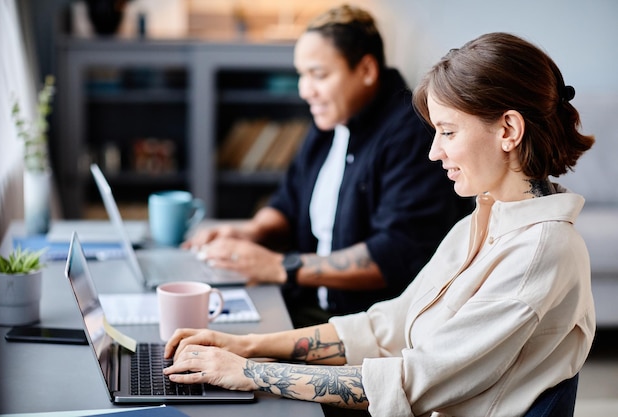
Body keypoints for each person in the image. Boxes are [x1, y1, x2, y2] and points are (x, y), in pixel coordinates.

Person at [164, 32, 596, 416]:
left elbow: (412, 382)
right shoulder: (484, 219)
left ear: (508, 130)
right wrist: (247, 345)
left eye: (447, 132)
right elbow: (387, 325)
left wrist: (250, 372)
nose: (433, 152)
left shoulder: (541, 251)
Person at [183, 5, 472, 328]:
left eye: (318, 75)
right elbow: (289, 198)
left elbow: (396, 254)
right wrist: (254, 231)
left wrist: (281, 266)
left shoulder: (409, 134)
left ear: (365, 70)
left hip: (364, 326)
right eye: (301, 75)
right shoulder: (331, 122)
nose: (305, 90)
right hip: (307, 304)